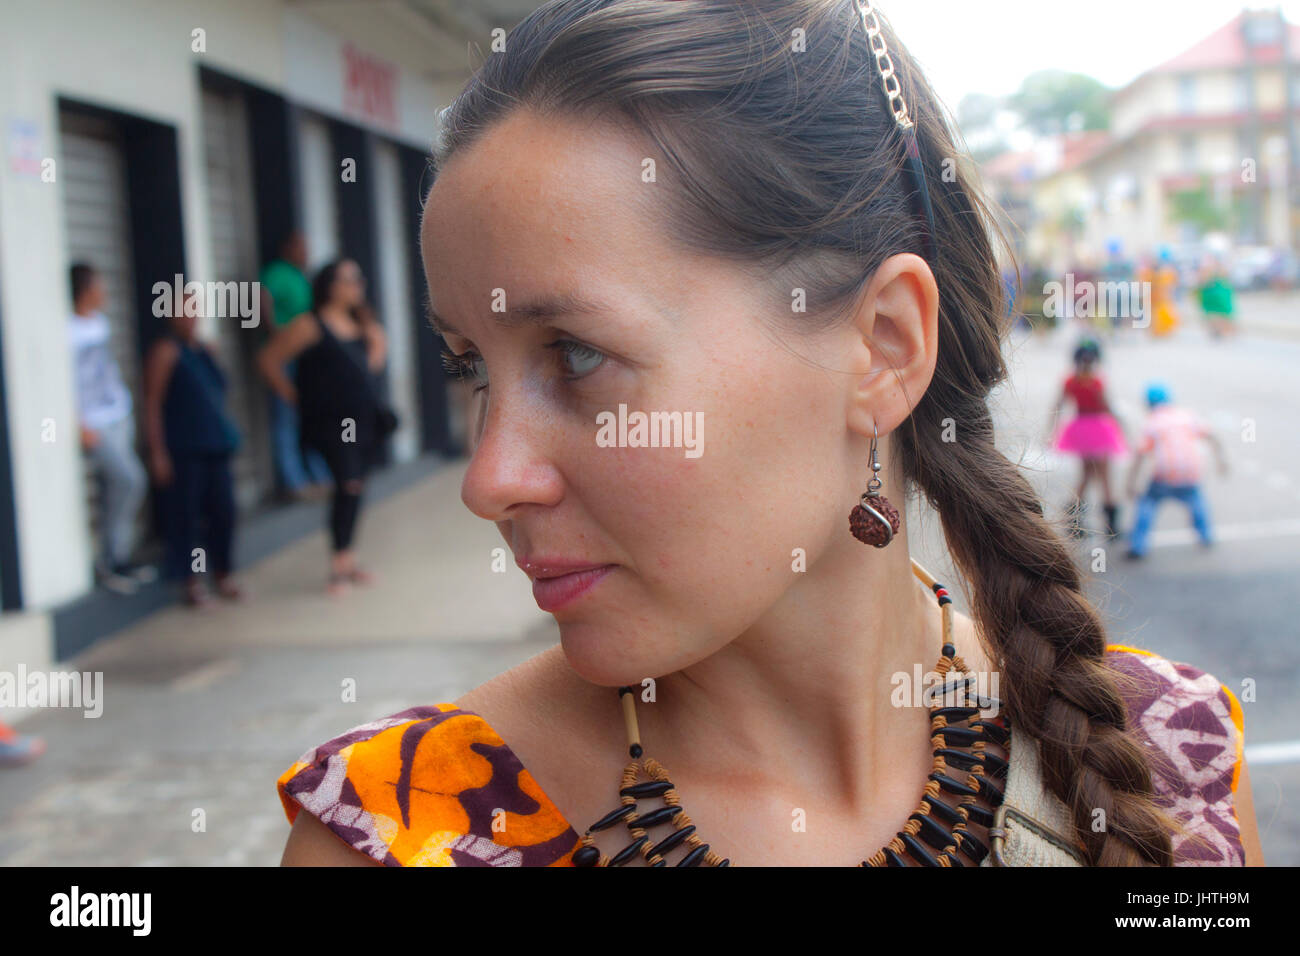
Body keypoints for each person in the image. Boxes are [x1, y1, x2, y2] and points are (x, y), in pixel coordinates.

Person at [277, 0, 1261, 868]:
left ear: (879, 348)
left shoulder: (1163, 758)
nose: (489, 478)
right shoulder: (402, 828)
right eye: (469, 367)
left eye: (575, 355)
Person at [258, 259, 387, 596]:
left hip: (362, 420)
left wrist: (375, 340)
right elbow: (269, 360)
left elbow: (370, 368)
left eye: (360, 278)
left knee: (356, 485)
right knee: (347, 484)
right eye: (350, 279)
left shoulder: (360, 323)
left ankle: (348, 557)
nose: (358, 284)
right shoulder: (309, 324)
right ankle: (338, 565)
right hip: (330, 424)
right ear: (331, 284)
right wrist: (293, 397)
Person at [142, 289, 243, 607]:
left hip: (215, 445)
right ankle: (192, 581)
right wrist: (157, 452)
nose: (192, 316)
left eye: (195, 308)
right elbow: (153, 403)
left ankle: (222, 573)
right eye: (185, 309)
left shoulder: (204, 350)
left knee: (224, 511)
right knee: (187, 517)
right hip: (184, 449)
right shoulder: (166, 352)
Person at [67, 263, 156, 595]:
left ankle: (120, 556)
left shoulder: (99, 323)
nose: (104, 292)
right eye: (99, 286)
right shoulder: (65, 328)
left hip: (117, 414)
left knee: (115, 488)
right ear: (85, 289)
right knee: (130, 479)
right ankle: (108, 560)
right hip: (94, 423)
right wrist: (78, 422)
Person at [259, 231, 332, 501]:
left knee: (309, 415)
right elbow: (262, 297)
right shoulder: (277, 272)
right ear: (288, 247)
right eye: (301, 247)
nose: (306, 253)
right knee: (286, 417)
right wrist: (275, 331)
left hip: (306, 357)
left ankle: (319, 475)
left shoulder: (300, 275)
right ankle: (294, 482)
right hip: (286, 356)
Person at [1124, 383, 1227, 560]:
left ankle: (1138, 545)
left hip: (1164, 473)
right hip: (1191, 472)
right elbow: (1212, 436)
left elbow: (1139, 454)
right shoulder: (1186, 415)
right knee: (1196, 501)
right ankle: (1205, 535)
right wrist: (1221, 461)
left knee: (1147, 504)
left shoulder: (1152, 422)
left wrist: (1131, 482)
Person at [1047, 338, 1128, 538]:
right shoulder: (1096, 381)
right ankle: (1111, 526)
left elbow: (1058, 406)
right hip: (1098, 429)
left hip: (1081, 429)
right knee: (1105, 477)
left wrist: (1050, 431)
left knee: (1085, 476)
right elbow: (1105, 406)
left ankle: (1074, 520)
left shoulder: (1070, 381)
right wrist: (1121, 425)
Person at [1197, 258, 1237, 340]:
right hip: (1214, 296)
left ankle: (1223, 331)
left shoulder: (1216, 272)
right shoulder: (1215, 271)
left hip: (1218, 296)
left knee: (1219, 314)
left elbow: (1202, 282)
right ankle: (1220, 331)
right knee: (1217, 315)